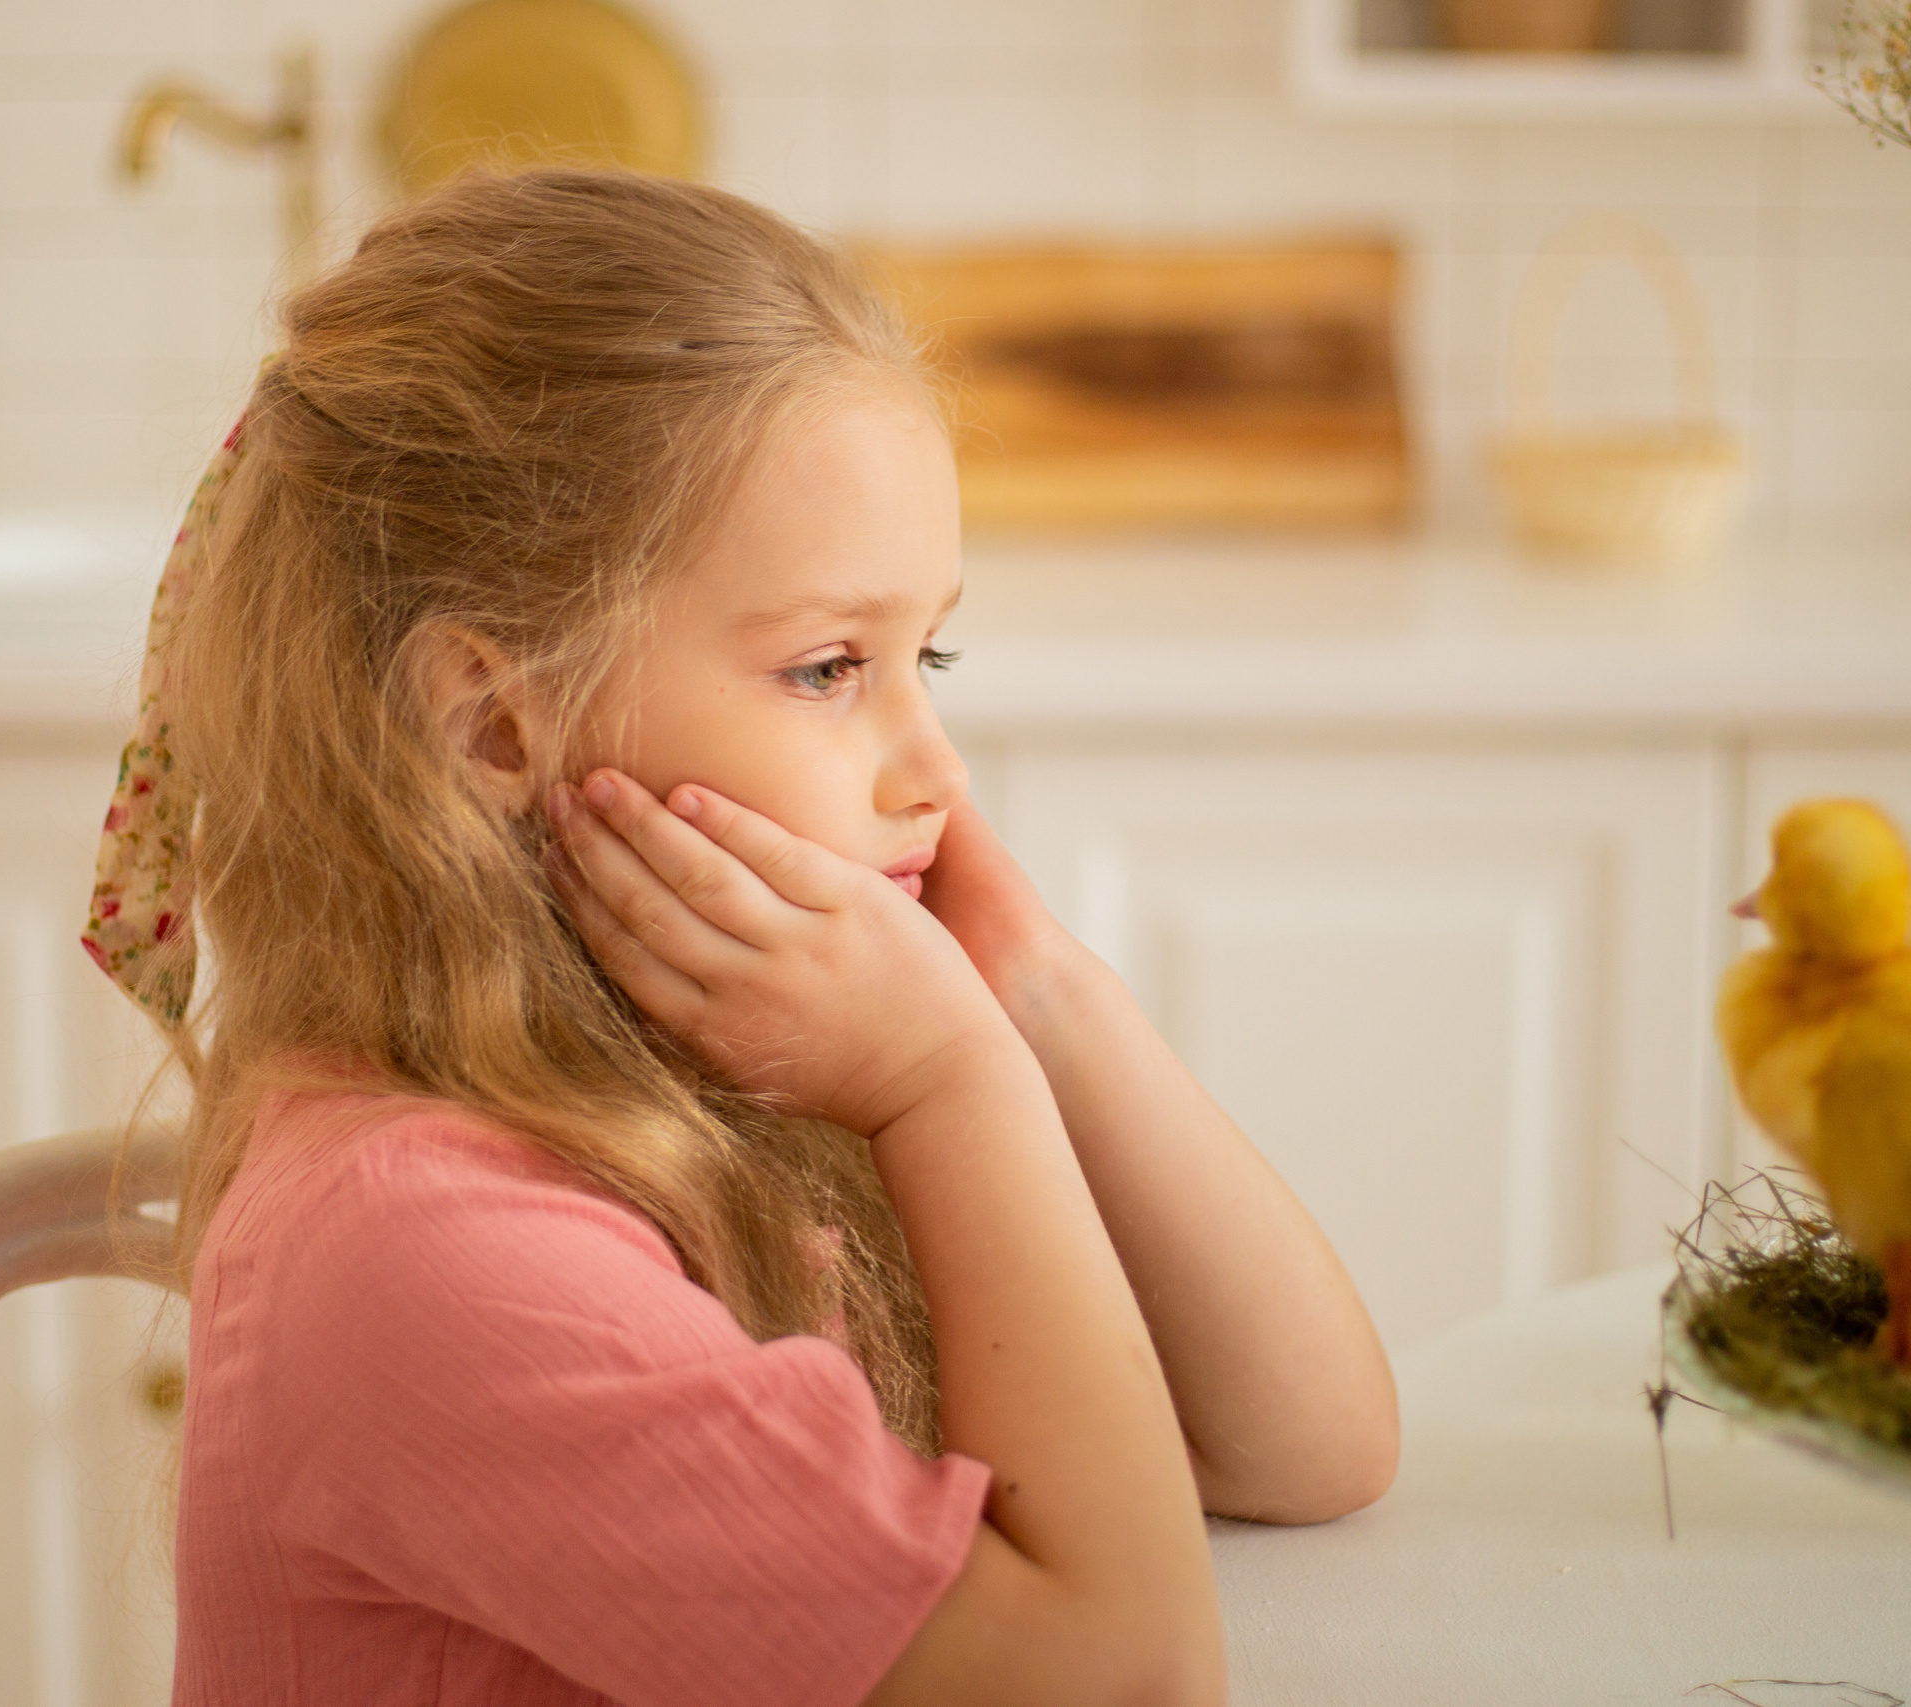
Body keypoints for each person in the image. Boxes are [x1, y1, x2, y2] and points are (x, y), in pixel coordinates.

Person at [82, 166, 1396, 1707]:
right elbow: (1128, 1680)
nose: (938, 767)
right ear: (500, 728)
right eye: (832, 668)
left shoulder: (717, 1073)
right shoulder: (426, 1251)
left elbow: (1311, 1449)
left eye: (932, 650)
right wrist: (951, 1086)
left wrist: (1030, 991)